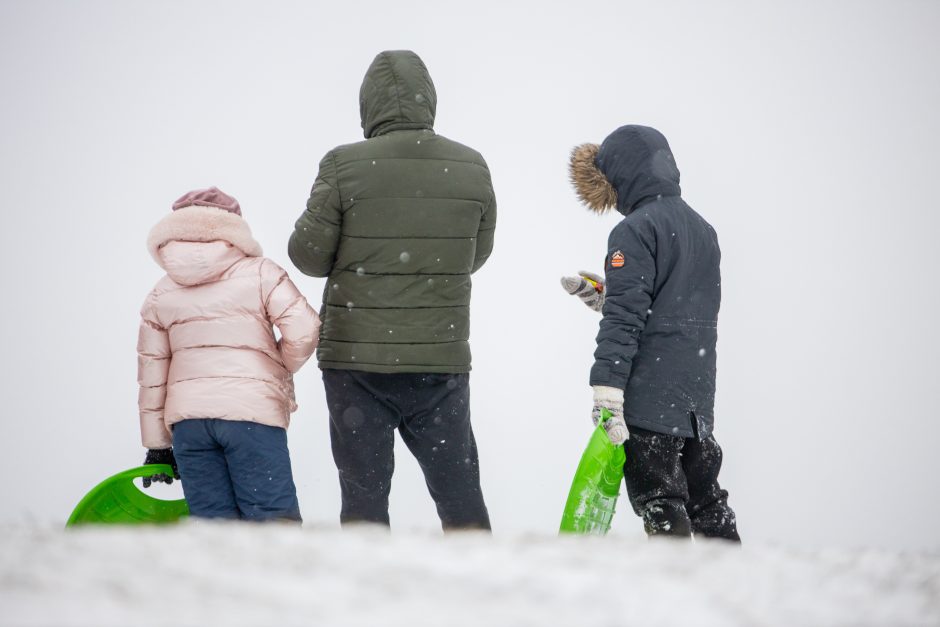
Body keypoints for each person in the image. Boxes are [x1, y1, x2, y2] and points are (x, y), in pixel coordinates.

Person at [288, 50, 496, 531]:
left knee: (363, 496)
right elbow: (475, 256)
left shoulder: (343, 165)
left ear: (370, 105)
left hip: (357, 364)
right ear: (430, 101)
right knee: (459, 492)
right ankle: (482, 585)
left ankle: (366, 597)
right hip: (437, 361)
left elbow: (308, 256)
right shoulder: (471, 166)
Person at [562, 125, 740, 541]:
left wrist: (606, 391)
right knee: (708, 501)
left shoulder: (635, 230)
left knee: (661, 502)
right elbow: (676, 307)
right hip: (696, 401)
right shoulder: (703, 229)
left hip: (650, 400)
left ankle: (673, 592)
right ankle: (736, 584)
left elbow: (625, 320)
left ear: (620, 175)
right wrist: (609, 296)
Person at [138, 186, 320, 522]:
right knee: (273, 521)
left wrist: (158, 444)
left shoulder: (160, 293)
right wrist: (279, 366)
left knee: (214, 531)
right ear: (234, 229)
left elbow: (152, 375)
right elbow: (305, 329)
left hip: (189, 426)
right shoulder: (262, 272)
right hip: (251, 418)